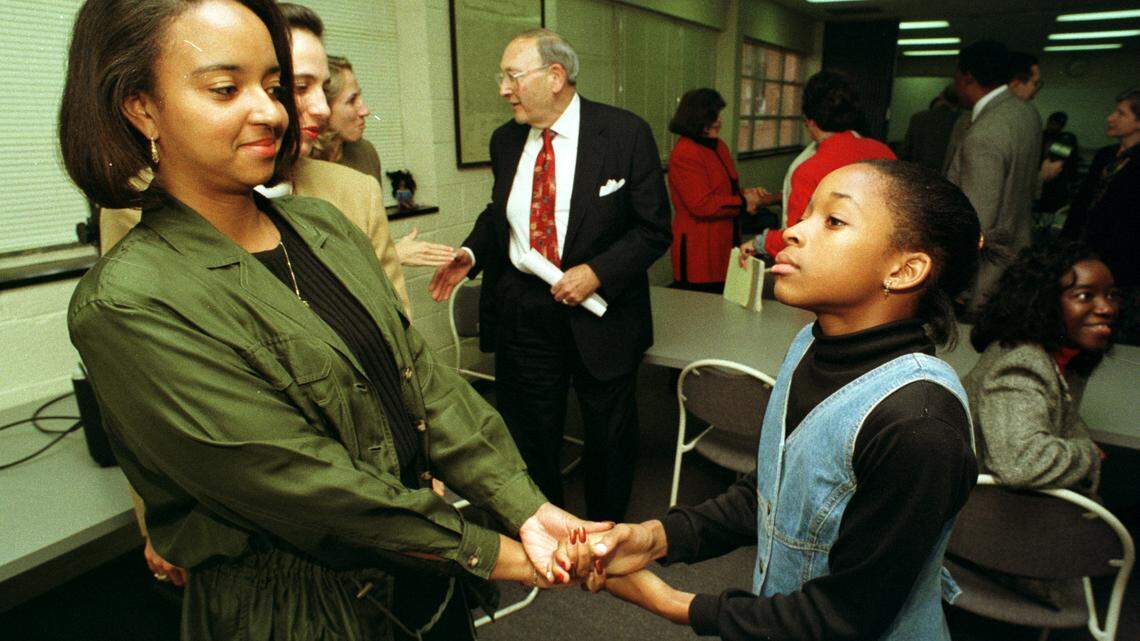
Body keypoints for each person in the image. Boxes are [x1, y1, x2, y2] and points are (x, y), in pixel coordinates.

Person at [61, 2, 606, 639]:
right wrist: (503, 553)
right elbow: (297, 485)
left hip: (421, 574)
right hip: (291, 611)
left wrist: (528, 508)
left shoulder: (322, 229)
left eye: (271, 87)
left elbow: (424, 385)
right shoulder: (130, 299)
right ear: (141, 106)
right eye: (224, 89)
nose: (270, 111)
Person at [569, 160, 982, 640]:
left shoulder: (919, 425)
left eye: (833, 221)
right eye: (805, 214)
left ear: (904, 269)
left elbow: (844, 619)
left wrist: (672, 603)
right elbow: (773, 493)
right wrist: (655, 539)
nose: (791, 233)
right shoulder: (811, 343)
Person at [428, 29, 671, 522]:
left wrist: (597, 272)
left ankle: (605, 532)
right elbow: (501, 216)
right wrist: (472, 253)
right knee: (531, 431)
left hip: (601, 313)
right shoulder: (506, 140)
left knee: (609, 432)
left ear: (555, 76)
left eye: (512, 76)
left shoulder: (624, 134)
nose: (503, 89)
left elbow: (654, 229)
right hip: (526, 312)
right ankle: (547, 530)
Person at [964, 242, 1116, 495]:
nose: (1107, 308)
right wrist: (1088, 453)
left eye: (1110, 295)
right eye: (1085, 295)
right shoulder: (1022, 362)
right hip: (986, 522)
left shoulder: (1062, 360)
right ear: (1045, 301)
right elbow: (1021, 464)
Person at [738, 71, 895, 265]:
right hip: (878, 262)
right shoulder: (883, 152)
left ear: (810, 120)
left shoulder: (810, 168)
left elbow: (798, 236)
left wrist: (760, 242)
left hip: (831, 268)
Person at [946, 41, 1042, 315]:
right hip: (1018, 253)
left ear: (966, 78)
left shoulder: (984, 135)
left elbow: (978, 221)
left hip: (989, 272)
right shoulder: (1026, 113)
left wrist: (957, 286)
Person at [666, 88, 775, 292]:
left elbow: (725, 190)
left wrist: (747, 194)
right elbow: (702, 205)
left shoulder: (719, 146)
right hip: (698, 250)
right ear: (699, 118)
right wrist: (744, 202)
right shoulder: (685, 153)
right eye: (715, 115)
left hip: (724, 243)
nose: (720, 121)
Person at [900, 85, 961, 171]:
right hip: (946, 177)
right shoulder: (960, 121)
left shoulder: (919, 118)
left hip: (919, 173)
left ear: (941, 95)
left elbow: (906, 152)